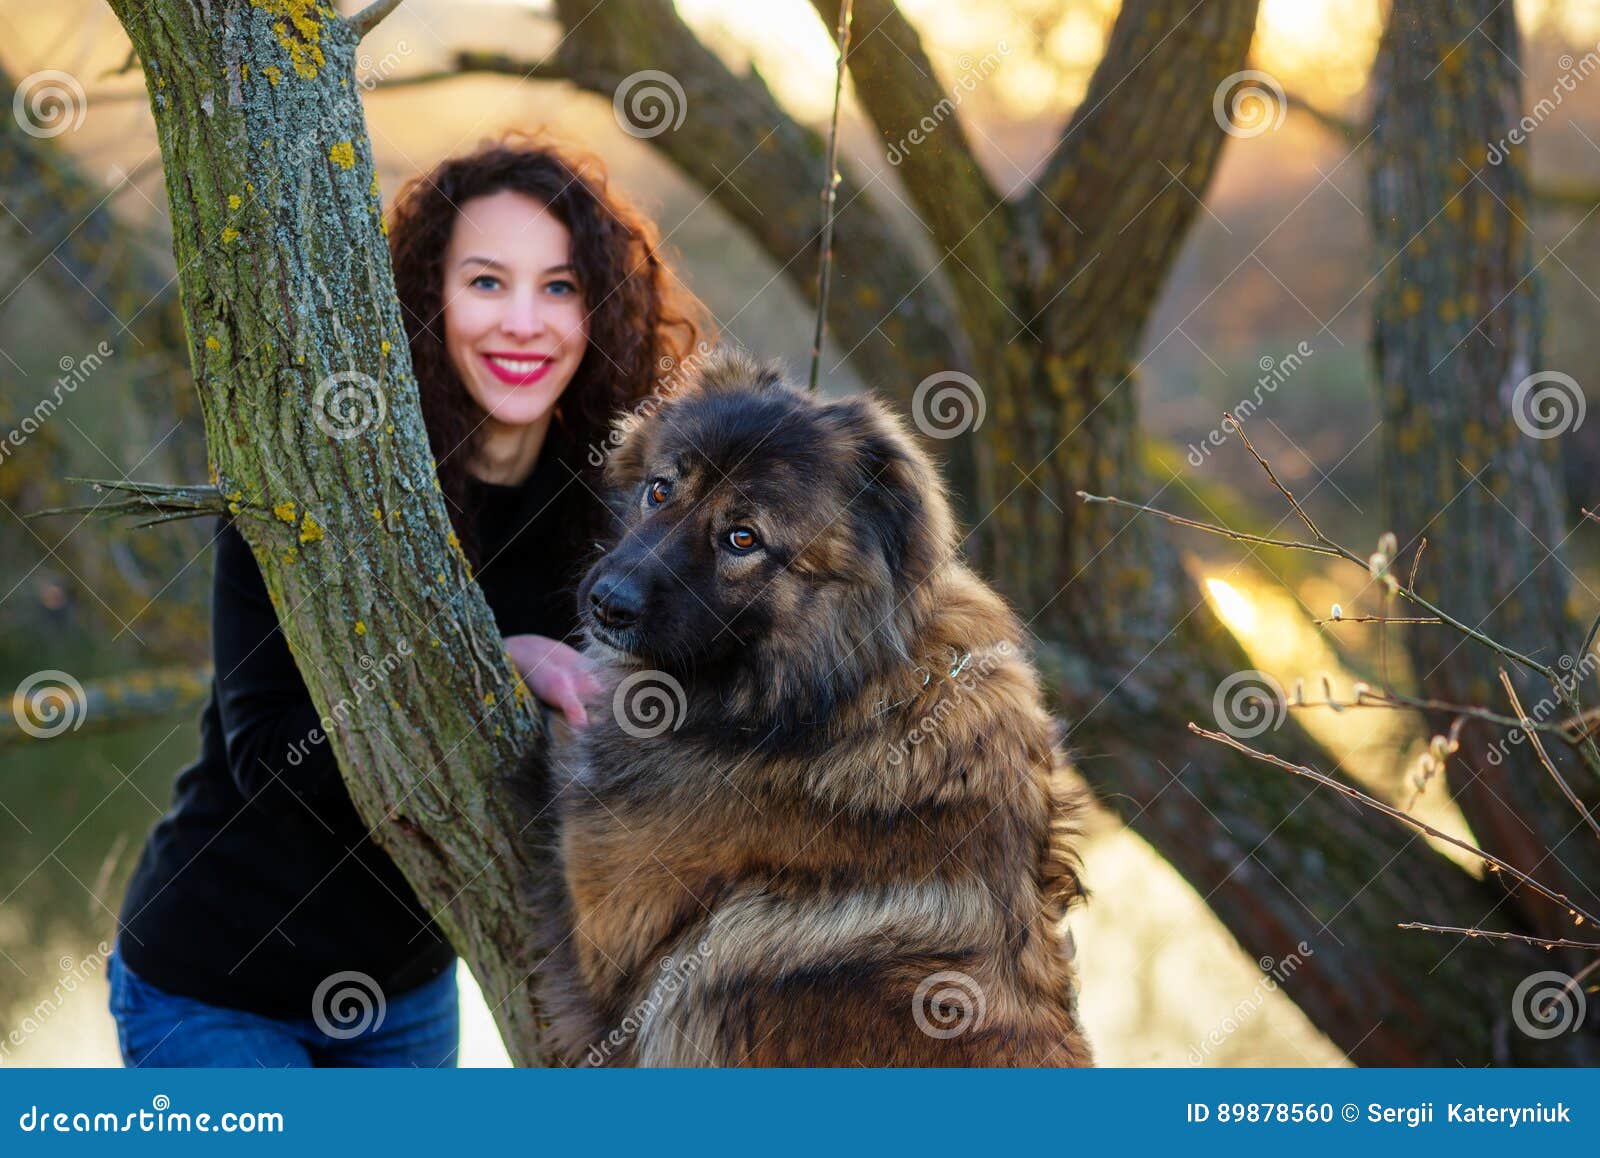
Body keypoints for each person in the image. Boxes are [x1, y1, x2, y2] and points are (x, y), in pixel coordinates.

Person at [107, 136, 700, 1067]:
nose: (524, 323)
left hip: (405, 997)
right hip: (215, 982)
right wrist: (495, 662)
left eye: (560, 287)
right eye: (486, 283)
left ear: (601, 313)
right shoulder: (313, 472)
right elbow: (271, 757)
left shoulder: (613, 514)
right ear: (426, 300)